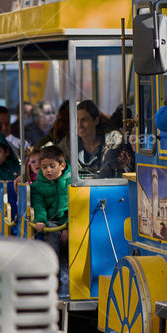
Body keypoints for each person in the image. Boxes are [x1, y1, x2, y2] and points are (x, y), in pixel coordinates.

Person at [30, 145, 70, 297]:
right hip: (51, 222)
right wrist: (40, 220)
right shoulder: (38, 186)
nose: (48, 171)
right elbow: (39, 205)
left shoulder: (72, 181)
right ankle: (54, 280)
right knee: (52, 234)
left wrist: (68, 227)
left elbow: (75, 204)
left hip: (70, 221)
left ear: (62, 165)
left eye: (52, 166)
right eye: (44, 167)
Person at [76, 100, 108, 177]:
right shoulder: (68, 147)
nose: (79, 125)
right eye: (77, 120)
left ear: (96, 120)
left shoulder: (108, 144)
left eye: (84, 120)